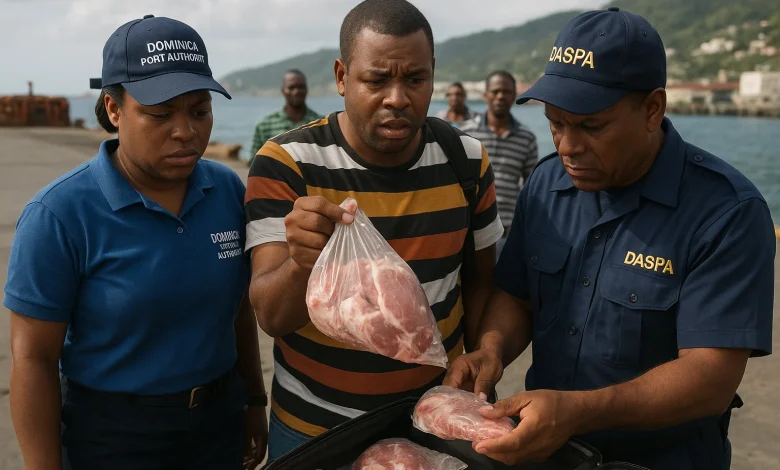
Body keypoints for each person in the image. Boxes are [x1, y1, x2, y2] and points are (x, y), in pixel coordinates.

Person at [444, 7, 775, 470]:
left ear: (652, 110)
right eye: (555, 123)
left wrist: (579, 412)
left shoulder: (726, 213)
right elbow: (516, 294)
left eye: (590, 126)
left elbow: (711, 376)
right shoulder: (545, 185)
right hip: (550, 454)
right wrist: (491, 351)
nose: (566, 146)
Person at [5, 15, 268, 470]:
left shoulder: (227, 191)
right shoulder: (60, 215)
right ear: (113, 109)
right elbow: (33, 359)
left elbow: (239, 310)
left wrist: (253, 402)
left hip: (217, 424)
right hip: (111, 438)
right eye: (160, 114)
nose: (185, 131)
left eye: (200, 111)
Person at [244, 0, 502, 462]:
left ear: (433, 74)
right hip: (313, 428)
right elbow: (270, 316)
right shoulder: (287, 163)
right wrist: (303, 263)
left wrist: (482, 355)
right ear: (343, 77)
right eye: (377, 79)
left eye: (415, 79)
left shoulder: (466, 159)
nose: (397, 98)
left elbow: (483, 279)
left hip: (430, 418)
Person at [460, 71, 538, 257]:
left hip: (506, 232)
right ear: (486, 95)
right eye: (495, 91)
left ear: (514, 96)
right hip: (466, 230)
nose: (501, 96)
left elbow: (531, 189)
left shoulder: (526, 139)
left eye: (506, 92)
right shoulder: (465, 133)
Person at [249, 69, 322, 163]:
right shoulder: (264, 125)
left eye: (300, 87)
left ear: (307, 90)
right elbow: (254, 162)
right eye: (291, 87)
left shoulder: (320, 124)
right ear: (283, 91)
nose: (296, 91)